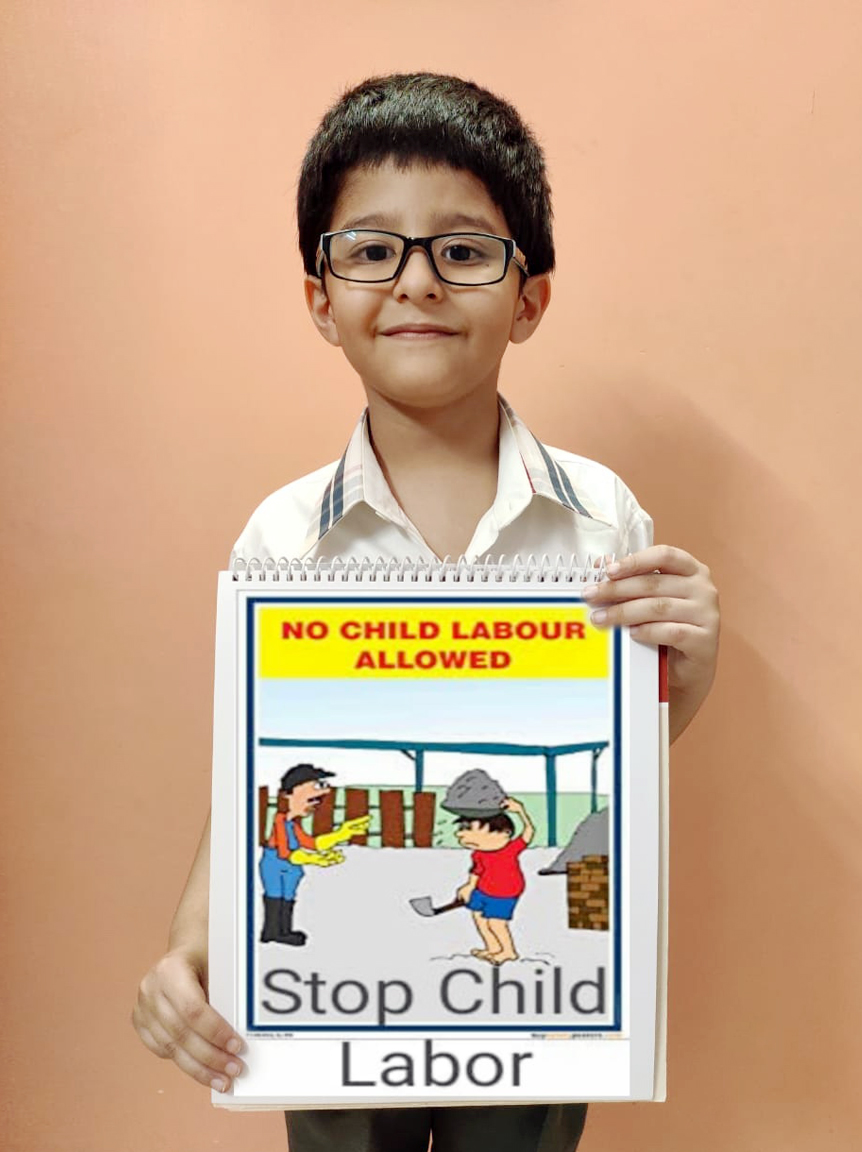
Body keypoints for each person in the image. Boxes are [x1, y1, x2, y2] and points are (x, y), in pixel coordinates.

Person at [133, 72, 720, 1152]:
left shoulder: (603, 520)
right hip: (337, 1009)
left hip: (537, 1008)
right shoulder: (282, 540)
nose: (415, 282)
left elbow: (614, 762)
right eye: (370, 249)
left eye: (462, 249)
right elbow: (260, 781)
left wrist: (692, 664)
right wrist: (189, 947)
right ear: (321, 297)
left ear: (528, 296)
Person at [259, 763, 371, 946]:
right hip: (275, 866)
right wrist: (313, 859)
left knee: (288, 898)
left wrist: (342, 833)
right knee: (275, 897)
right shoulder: (280, 821)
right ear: (288, 794)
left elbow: (313, 843)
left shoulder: (294, 825)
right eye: (311, 800)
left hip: (292, 868)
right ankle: (271, 932)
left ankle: (284, 931)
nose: (314, 805)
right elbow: (285, 852)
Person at [455, 797, 535, 965]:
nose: (460, 834)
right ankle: (493, 948)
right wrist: (469, 886)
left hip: (504, 892)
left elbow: (529, 832)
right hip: (482, 889)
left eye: (471, 829)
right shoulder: (478, 853)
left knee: (496, 923)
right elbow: (477, 871)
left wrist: (521, 811)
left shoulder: (510, 849)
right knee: (479, 919)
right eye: (464, 829)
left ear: (503, 833)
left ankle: (508, 951)